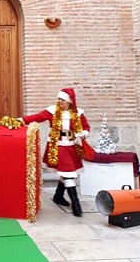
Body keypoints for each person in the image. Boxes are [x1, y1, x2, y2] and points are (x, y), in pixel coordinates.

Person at [21, 87, 91, 217]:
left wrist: (83, 133)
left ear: (69, 101)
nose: (59, 101)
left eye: (62, 99)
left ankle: (58, 196)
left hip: (72, 147)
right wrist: (19, 121)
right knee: (69, 174)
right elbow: (36, 117)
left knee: (66, 173)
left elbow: (86, 127)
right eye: (58, 98)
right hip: (58, 147)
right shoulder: (51, 111)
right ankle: (76, 205)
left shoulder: (78, 113)